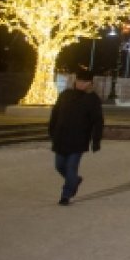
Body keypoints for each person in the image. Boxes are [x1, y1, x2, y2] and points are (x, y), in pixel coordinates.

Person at [48, 70, 103, 206]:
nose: (80, 84)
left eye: (84, 82)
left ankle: (66, 195)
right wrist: (52, 131)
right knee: (59, 166)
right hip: (61, 137)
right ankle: (74, 181)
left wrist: (96, 141)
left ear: (90, 83)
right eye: (79, 80)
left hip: (78, 139)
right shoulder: (65, 95)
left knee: (71, 167)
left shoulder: (92, 99)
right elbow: (55, 114)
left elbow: (98, 121)